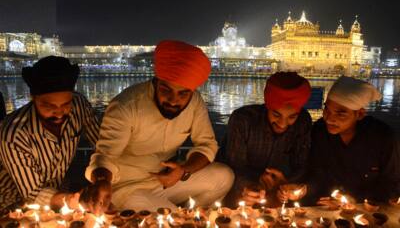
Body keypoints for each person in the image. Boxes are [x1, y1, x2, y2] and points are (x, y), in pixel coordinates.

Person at [85, 40, 234, 211]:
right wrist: (102, 182)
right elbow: (105, 156)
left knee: (224, 176)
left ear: (191, 92)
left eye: (183, 94)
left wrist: (184, 170)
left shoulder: (195, 102)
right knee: (167, 217)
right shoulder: (126, 105)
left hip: (167, 181)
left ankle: (191, 216)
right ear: (156, 81)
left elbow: (207, 144)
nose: (173, 100)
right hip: (127, 188)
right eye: (166, 90)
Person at [0, 56, 100, 213]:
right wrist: (70, 200)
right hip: (14, 203)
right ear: (33, 98)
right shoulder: (14, 134)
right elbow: (33, 193)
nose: (59, 113)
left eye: (66, 104)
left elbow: (102, 143)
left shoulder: (78, 105)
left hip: (60, 191)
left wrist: (102, 178)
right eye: (49, 106)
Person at [223, 72, 312, 207]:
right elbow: (234, 165)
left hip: (281, 194)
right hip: (243, 193)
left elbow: (301, 165)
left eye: (292, 117)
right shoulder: (243, 119)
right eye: (276, 114)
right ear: (267, 106)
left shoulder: (303, 121)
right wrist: (252, 183)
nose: (282, 124)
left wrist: (287, 182)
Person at [308, 76, 400, 203]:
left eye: (340, 113)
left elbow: (392, 184)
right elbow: (315, 171)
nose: (329, 119)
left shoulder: (382, 137)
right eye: (327, 110)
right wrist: (304, 188)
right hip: (326, 205)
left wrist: (354, 199)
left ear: (360, 114)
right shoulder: (320, 131)